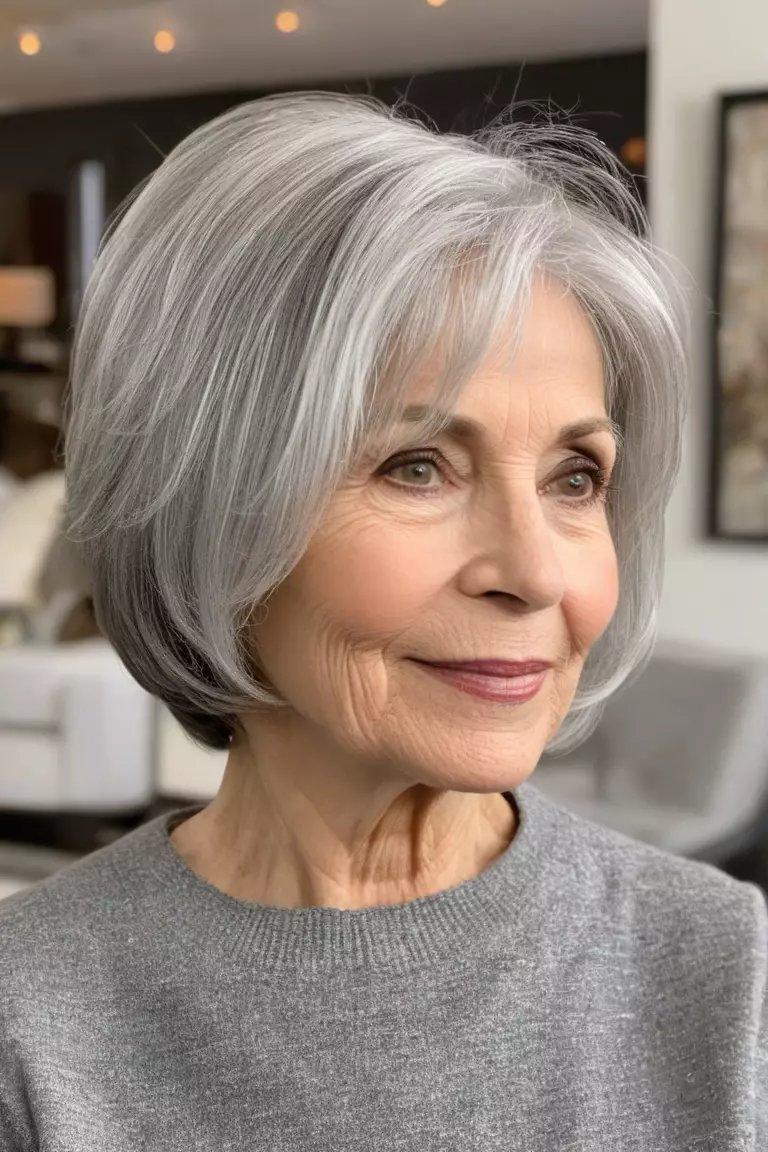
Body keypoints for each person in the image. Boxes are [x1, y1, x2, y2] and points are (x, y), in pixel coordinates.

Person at [0, 92, 765, 1151]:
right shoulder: (28, 1017)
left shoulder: (731, 980)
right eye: (417, 466)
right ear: (207, 505)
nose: (536, 573)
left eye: (576, 477)